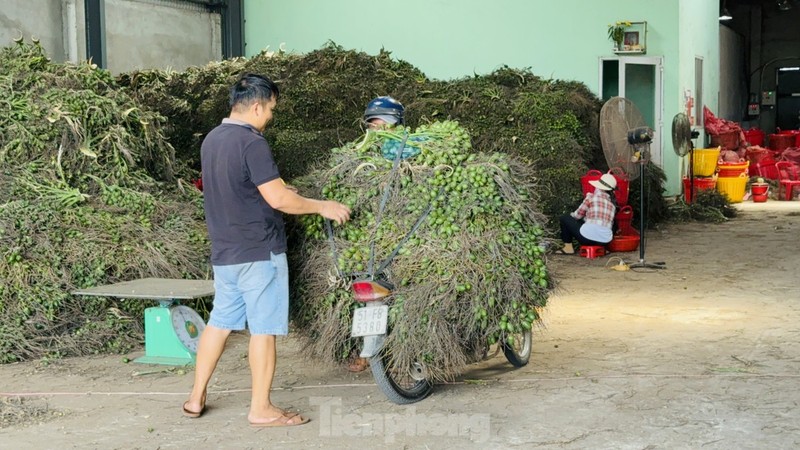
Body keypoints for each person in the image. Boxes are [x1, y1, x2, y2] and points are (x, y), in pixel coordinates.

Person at [182, 73, 351, 427]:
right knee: (263, 330)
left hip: (225, 252)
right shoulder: (251, 143)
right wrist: (322, 206)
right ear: (256, 106)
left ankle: (196, 396)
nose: (271, 117)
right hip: (259, 251)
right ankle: (261, 408)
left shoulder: (212, 140)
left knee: (220, 323)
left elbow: (238, 187)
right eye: (271, 109)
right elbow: (278, 198)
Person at [342, 96, 405, 374]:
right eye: (373, 124)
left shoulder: (409, 148)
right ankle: (365, 350)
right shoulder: (359, 155)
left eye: (384, 124)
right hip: (369, 234)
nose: (378, 129)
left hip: (400, 230)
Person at [557, 173, 617, 255]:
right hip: (604, 241)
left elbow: (577, 216)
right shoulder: (612, 206)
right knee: (611, 223)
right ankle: (604, 249)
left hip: (586, 239)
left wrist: (573, 215)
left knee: (565, 218)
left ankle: (568, 248)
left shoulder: (591, 198)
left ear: (598, 187)